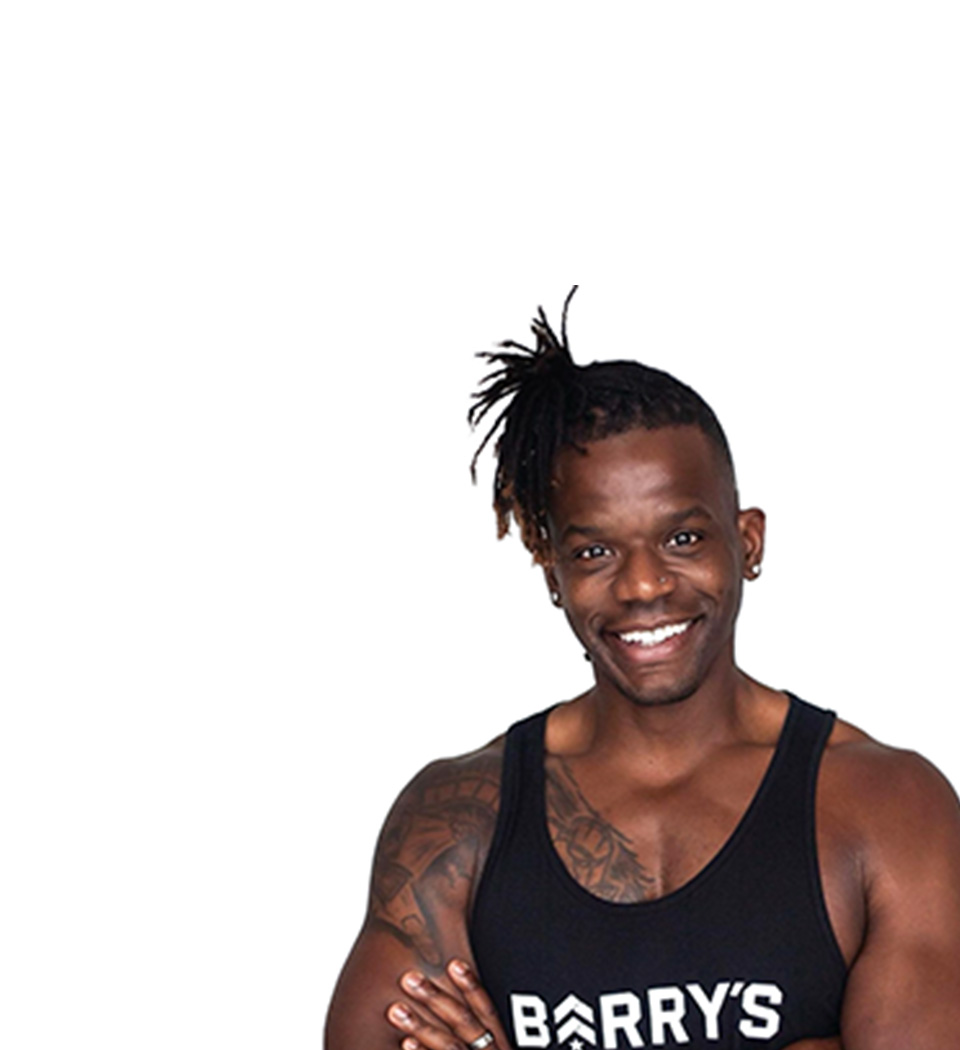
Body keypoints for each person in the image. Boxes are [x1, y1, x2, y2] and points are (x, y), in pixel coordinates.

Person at [325, 290, 960, 1050]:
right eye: (595, 552)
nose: (643, 585)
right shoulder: (458, 820)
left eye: (684, 539)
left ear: (747, 541)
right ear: (551, 569)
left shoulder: (887, 806)